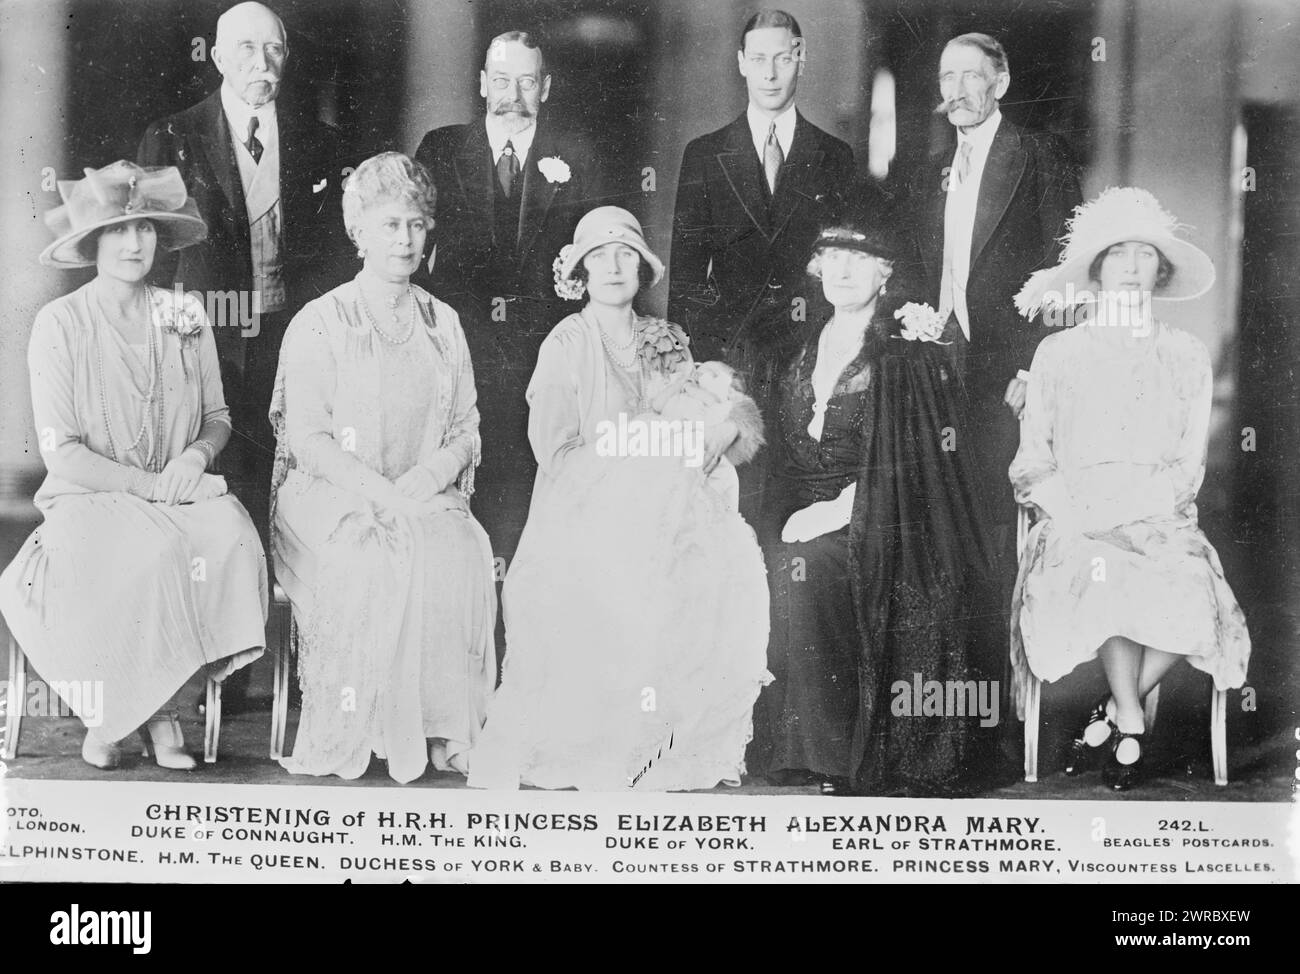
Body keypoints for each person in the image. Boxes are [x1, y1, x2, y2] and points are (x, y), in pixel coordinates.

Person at [467, 207, 771, 791]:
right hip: (581, 511)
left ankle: (670, 742)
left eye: (625, 254)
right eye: (598, 256)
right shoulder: (567, 342)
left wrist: (713, 429)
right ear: (580, 271)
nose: (613, 267)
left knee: (715, 559)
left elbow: (698, 419)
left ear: (642, 269)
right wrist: (641, 461)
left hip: (663, 507)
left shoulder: (664, 339)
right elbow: (556, 452)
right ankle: (607, 742)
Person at [0, 161, 267, 771]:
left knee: (232, 537)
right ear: (93, 240)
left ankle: (167, 704)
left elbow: (219, 415)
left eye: (145, 228)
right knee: (150, 553)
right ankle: (124, 713)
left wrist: (197, 455)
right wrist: (152, 487)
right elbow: (60, 451)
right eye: (119, 230)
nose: (134, 243)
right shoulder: (60, 324)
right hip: (88, 499)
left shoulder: (185, 314)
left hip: (177, 490)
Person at [756, 205, 1004, 797]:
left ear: (884, 275)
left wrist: (839, 510)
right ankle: (788, 746)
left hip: (887, 515)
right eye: (832, 258)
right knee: (759, 557)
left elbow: (913, 465)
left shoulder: (901, 351)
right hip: (801, 508)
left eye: (859, 259)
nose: (843, 270)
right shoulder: (797, 345)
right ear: (817, 270)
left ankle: (843, 755)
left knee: (809, 566)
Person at [1009, 187, 1251, 790]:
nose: (1133, 268)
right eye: (1119, 254)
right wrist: (1085, 515)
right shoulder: (1059, 353)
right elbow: (1034, 460)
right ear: (1095, 270)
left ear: (1161, 271)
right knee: (1106, 570)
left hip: (1159, 515)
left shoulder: (1186, 356)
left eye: (1146, 255)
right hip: (1076, 520)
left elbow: (1186, 464)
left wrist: (1139, 512)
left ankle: (1120, 711)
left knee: (1197, 592)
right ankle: (1134, 732)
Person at [269, 153, 496, 784]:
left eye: (418, 225)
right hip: (328, 494)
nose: (405, 238)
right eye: (390, 224)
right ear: (359, 230)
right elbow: (307, 440)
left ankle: (443, 729)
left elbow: (466, 428)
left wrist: (427, 477)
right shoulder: (321, 320)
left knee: (456, 548)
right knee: (373, 550)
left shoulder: (443, 322)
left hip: (419, 490)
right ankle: (370, 727)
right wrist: (377, 490)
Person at [138, 0, 350, 528]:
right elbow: (155, 261)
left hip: (293, 335)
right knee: (220, 484)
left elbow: (336, 256)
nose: (263, 62)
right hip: (208, 337)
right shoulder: (171, 139)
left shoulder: (322, 142)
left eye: (274, 48)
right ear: (217, 58)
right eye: (247, 49)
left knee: (291, 474)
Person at [415, 30, 603, 594]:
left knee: (526, 499)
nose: (513, 93)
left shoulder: (577, 152)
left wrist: (579, 268)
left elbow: (596, 248)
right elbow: (416, 249)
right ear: (481, 84)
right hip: (460, 352)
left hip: (540, 356)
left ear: (544, 86)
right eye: (501, 80)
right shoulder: (441, 148)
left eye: (526, 81)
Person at [669, 9, 856, 531]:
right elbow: (685, 278)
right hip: (733, 363)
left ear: (801, 59)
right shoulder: (705, 155)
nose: (770, 73)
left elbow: (850, 269)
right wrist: (704, 368)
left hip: (811, 359)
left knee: (801, 507)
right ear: (740, 64)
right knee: (733, 506)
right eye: (758, 60)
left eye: (782, 58)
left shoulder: (836, 157)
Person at [903, 31, 1081, 538]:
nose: (955, 90)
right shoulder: (929, 169)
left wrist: (1033, 370)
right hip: (937, 364)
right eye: (946, 77)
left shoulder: (1040, 155)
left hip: (1007, 372)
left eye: (971, 76)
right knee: (937, 515)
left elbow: (1066, 272)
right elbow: (917, 267)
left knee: (997, 519)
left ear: (1000, 83)